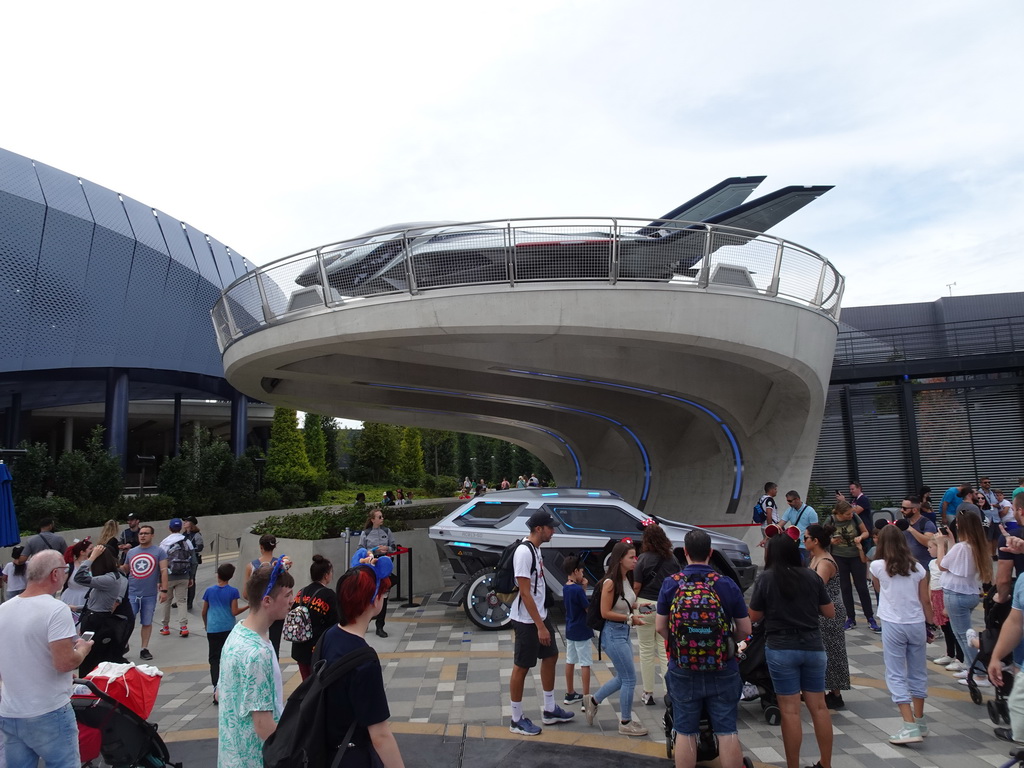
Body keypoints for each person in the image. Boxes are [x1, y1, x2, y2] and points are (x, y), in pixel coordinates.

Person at [656, 529, 750, 768]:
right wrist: (727, 644)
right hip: (722, 666)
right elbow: (745, 628)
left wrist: (679, 644)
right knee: (726, 730)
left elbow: (660, 627)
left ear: (685, 553)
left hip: (683, 666)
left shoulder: (671, 584)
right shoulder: (726, 584)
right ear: (710, 552)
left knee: (685, 730)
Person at [0, 549, 94, 768]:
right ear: (54, 574)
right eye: (65, 570)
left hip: (10, 711)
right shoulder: (56, 609)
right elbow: (64, 663)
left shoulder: (3, 609)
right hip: (48, 710)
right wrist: (83, 649)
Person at [749, 534, 835, 768]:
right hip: (813, 646)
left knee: (790, 711)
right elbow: (829, 612)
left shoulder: (766, 579)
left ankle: (793, 765)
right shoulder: (811, 576)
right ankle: (825, 764)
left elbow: (754, 616)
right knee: (819, 707)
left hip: (781, 648)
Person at [319, 560, 406, 767]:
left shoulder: (329, 636)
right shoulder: (365, 660)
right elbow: (380, 735)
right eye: (383, 594)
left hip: (327, 749)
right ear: (374, 601)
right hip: (353, 756)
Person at [217, 559, 295, 768]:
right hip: (256, 759)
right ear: (267, 600)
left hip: (232, 757)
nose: (292, 601)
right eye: (287, 595)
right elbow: (263, 726)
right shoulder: (256, 653)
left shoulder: (239, 632)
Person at [508, 510, 575, 736]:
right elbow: (525, 594)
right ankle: (516, 719)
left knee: (551, 655)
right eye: (550, 528)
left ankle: (549, 709)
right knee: (522, 666)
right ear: (539, 529)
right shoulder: (523, 552)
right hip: (527, 620)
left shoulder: (536, 549)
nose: (553, 531)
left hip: (539, 615)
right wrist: (540, 626)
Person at [869, 525, 933, 744]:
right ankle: (920, 720)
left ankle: (908, 725)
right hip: (916, 622)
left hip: (893, 623)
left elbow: (878, 589)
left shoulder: (878, 565)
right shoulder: (919, 568)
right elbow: (925, 600)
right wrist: (931, 624)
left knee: (896, 673)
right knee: (918, 672)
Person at [584, 541, 648, 736]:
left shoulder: (626, 578)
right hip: (612, 634)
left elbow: (627, 603)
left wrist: (642, 608)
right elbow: (605, 612)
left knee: (623, 677)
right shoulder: (610, 582)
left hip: (623, 633)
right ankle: (625, 722)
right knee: (630, 679)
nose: (635, 560)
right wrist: (630, 618)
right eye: (631, 557)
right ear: (620, 559)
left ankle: (593, 700)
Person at [935, 509, 992, 688]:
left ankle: (980, 674)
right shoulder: (975, 545)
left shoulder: (962, 547)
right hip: (969, 593)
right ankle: (971, 668)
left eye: (958, 523)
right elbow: (956, 561)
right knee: (964, 634)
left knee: (963, 635)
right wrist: (951, 541)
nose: (956, 525)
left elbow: (942, 565)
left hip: (956, 595)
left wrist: (940, 544)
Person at [632, 523, 680, 705]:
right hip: (664, 606)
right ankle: (670, 691)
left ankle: (648, 693)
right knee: (664, 649)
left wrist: (631, 605)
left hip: (645, 605)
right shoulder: (673, 560)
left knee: (645, 649)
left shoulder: (642, 559)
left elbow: (636, 586)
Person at [804, 523, 851, 710]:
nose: (803, 540)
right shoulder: (816, 557)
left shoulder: (824, 562)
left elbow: (816, 587)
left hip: (828, 612)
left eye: (806, 538)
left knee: (832, 652)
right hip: (821, 611)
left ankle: (835, 694)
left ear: (815, 541)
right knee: (826, 651)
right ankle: (826, 691)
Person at [73, 543, 132, 676]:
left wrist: (92, 557)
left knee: (91, 659)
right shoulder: (108, 578)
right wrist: (75, 608)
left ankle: (90, 687)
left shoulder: (110, 579)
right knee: (89, 658)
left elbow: (79, 577)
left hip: (97, 623)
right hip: (93, 619)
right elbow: (96, 604)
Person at [825, 500, 879, 632]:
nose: (850, 516)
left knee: (861, 586)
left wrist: (860, 537)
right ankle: (850, 618)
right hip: (839, 556)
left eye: (851, 514)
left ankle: (870, 617)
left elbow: (866, 532)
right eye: (847, 514)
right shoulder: (831, 520)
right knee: (845, 587)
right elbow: (823, 537)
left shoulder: (855, 517)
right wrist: (831, 540)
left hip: (856, 555)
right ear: (840, 514)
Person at [203, 563, 248, 703]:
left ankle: (216, 688)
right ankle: (230, 687)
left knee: (214, 659)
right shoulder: (233, 591)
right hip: (228, 628)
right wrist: (247, 606)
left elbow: (204, 611)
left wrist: (206, 624)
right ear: (231, 576)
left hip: (213, 629)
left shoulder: (209, 591)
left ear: (218, 574)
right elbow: (234, 611)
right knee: (228, 657)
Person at [122, 524, 168, 661]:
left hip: (149, 594)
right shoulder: (131, 552)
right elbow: (126, 568)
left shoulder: (159, 552)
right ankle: (122, 645)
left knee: (146, 622)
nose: (143, 536)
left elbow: (164, 570)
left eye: (146, 533)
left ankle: (144, 648)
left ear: (152, 535)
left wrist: (164, 590)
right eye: (141, 533)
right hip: (132, 592)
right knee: (127, 621)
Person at [290, 554, 339, 680]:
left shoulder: (301, 592)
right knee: (318, 686)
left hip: (299, 646)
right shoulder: (328, 595)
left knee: (306, 684)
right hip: (317, 649)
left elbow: (293, 611)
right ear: (326, 575)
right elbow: (336, 621)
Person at [928, 538, 965, 673]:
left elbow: (943, 569)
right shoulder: (931, 563)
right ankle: (949, 653)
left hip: (944, 595)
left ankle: (960, 657)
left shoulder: (945, 563)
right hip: (935, 595)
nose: (928, 549)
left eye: (931, 547)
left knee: (953, 628)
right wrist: (930, 599)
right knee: (944, 627)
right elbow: (931, 581)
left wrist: (940, 544)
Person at [246, 534, 287, 656]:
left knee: (256, 641)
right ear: (274, 547)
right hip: (276, 607)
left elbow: (245, 593)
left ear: (261, 547)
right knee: (275, 644)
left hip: (258, 609)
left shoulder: (251, 566)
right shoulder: (280, 565)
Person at [358, 510, 396, 638]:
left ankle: (380, 626)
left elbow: (394, 546)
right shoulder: (366, 533)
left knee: (383, 595)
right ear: (373, 519)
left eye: (382, 516)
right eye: (379, 517)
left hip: (384, 563)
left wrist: (387, 549)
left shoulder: (387, 531)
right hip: (371, 565)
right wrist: (372, 551)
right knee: (370, 594)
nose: (382, 519)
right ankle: (366, 620)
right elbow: (360, 550)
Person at [561, 554, 592, 705]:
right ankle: (586, 697)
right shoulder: (578, 590)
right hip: (582, 629)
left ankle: (570, 692)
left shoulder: (566, 588)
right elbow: (586, 608)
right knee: (585, 662)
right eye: (581, 571)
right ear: (575, 571)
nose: (583, 574)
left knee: (570, 660)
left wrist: (583, 587)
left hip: (570, 629)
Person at [158, 518, 195, 638]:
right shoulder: (187, 541)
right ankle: (183, 627)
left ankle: (165, 627)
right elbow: (193, 561)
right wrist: (191, 576)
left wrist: (159, 580)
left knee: (166, 601)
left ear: (169, 528)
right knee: (182, 601)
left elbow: (161, 562)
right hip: (184, 575)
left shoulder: (165, 542)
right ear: (180, 528)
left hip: (168, 576)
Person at [899, 495, 937, 567]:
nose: (901, 510)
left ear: (914, 510)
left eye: (904, 508)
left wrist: (911, 529)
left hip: (924, 566)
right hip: (908, 565)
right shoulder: (904, 523)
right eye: (901, 507)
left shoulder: (926, 524)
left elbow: (929, 542)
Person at [781, 490, 817, 564]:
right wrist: (767, 537)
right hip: (793, 545)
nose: (788, 503)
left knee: (805, 569)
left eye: (790, 501)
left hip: (806, 546)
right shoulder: (789, 511)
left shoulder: (810, 511)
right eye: (787, 501)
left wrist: (814, 549)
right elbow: (780, 524)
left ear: (797, 499)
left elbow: (815, 531)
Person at [183, 516, 204, 611]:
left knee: (191, 580)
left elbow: (200, 547)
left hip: (192, 561)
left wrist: (190, 550)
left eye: (186, 521)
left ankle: (189, 602)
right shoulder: (184, 534)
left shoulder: (196, 535)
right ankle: (182, 600)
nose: (184, 523)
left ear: (191, 524)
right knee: (182, 580)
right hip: (184, 560)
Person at [757, 482, 779, 547]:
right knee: (773, 549)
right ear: (771, 490)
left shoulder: (762, 499)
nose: (776, 491)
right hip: (769, 526)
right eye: (775, 489)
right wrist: (770, 528)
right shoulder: (769, 500)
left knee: (767, 547)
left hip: (763, 526)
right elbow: (769, 513)